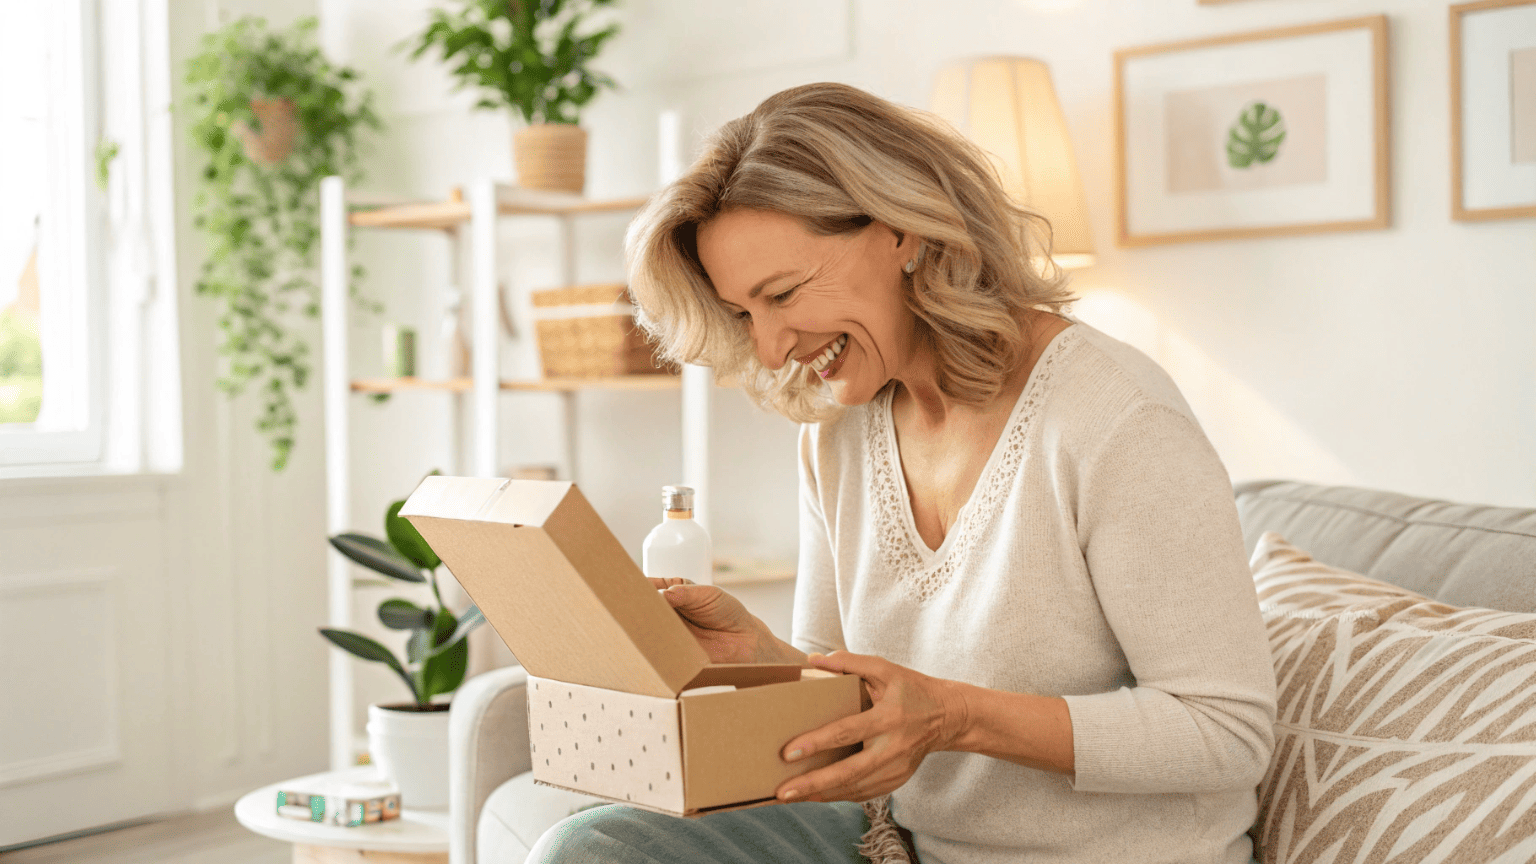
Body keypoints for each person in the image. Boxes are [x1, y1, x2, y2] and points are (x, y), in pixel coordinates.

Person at [528, 82, 1276, 864]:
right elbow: (842, 705)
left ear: (903, 231)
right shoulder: (838, 433)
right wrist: (755, 657)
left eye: (783, 294)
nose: (775, 345)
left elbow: (1225, 730)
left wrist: (954, 716)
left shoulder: (1115, 420)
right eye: (747, 314)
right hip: (903, 846)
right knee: (589, 848)